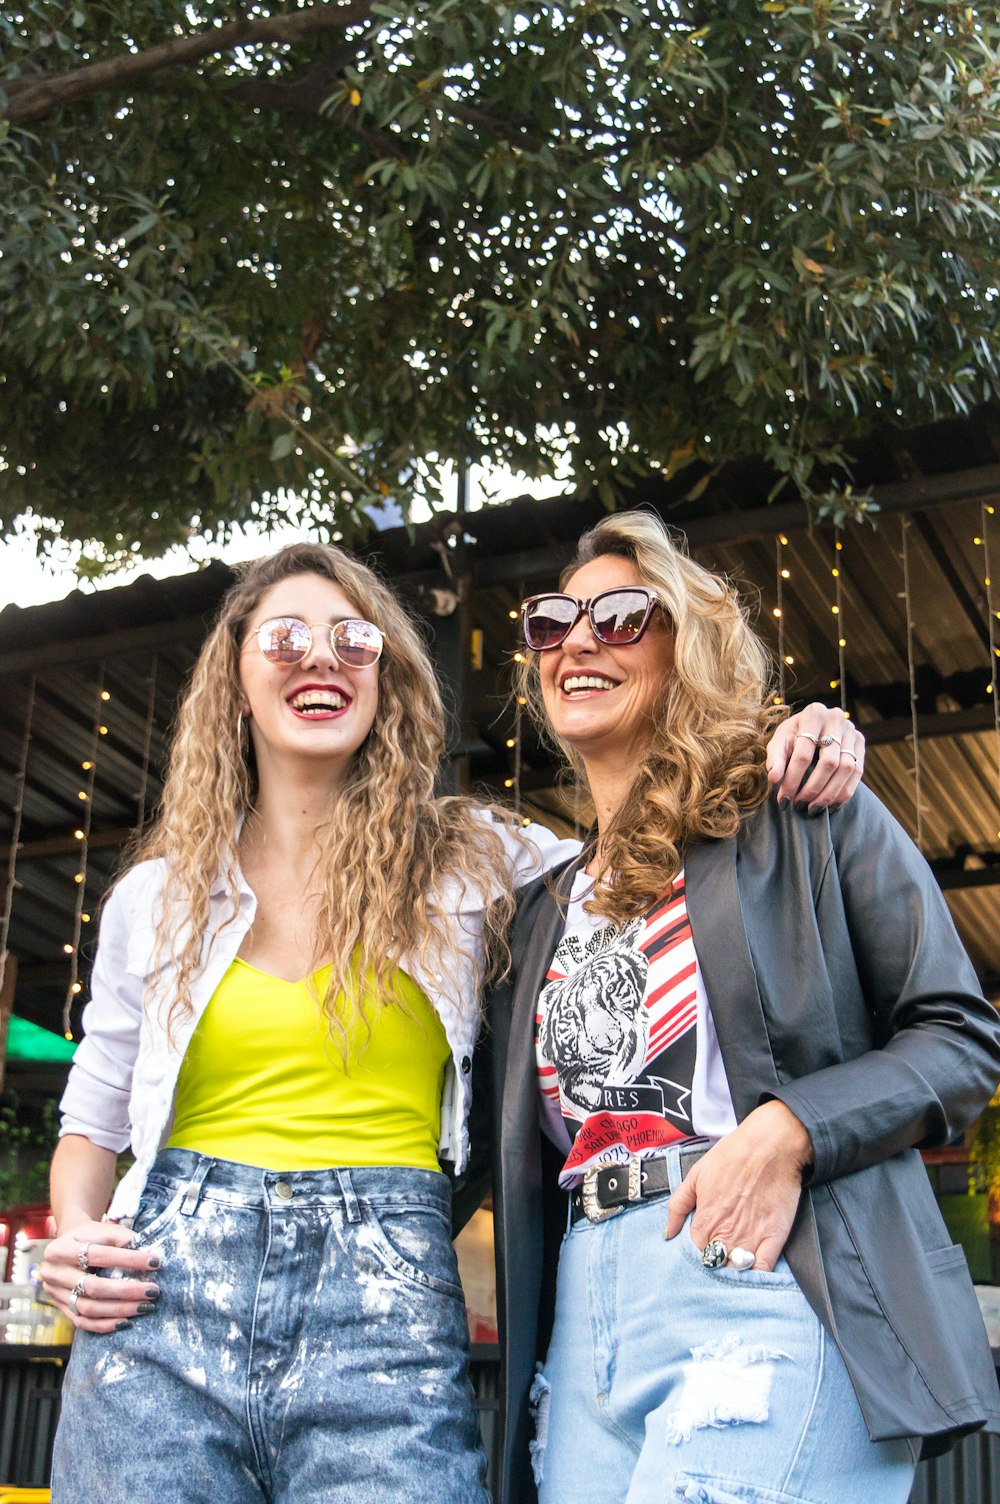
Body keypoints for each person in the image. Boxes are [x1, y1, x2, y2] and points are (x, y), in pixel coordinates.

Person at [40, 538, 857, 1504]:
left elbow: (650, 834)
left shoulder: (476, 864)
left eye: (355, 639)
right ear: (235, 678)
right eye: (286, 636)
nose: (322, 656)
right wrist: (74, 1235)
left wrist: (797, 732)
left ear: (388, 679)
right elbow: (90, 1123)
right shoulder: (155, 898)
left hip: (382, 1306)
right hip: (158, 1298)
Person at [478, 511, 1000, 1504]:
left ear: (690, 647)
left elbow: (958, 1035)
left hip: (769, 1277)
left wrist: (791, 1128)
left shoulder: (802, 809)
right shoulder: (535, 911)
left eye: (623, 614)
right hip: (584, 1321)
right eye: (553, 621)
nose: (578, 640)